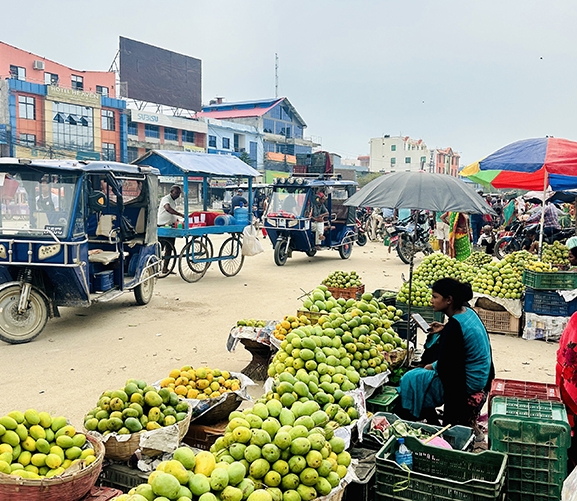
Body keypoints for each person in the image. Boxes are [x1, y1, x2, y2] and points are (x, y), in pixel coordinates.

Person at [398, 278, 495, 426]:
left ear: (449, 300)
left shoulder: (454, 328)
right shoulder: (468, 311)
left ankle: (426, 419)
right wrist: (444, 329)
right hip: (483, 373)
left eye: (435, 297)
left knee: (412, 378)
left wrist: (432, 366)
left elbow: (448, 366)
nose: (431, 300)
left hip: (470, 381)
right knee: (427, 363)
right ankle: (431, 419)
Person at [158, 185, 184, 274]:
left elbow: (172, 214)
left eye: (179, 193)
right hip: (162, 226)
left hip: (170, 226)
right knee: (160, 248)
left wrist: (177, 220)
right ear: (171, 191)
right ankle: (155, 268)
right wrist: (180, 214)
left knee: (169, 248)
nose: (178, 195)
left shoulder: (174, 202)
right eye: (176, 193)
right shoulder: (166, 199)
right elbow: (168, 209)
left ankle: (165, 268)